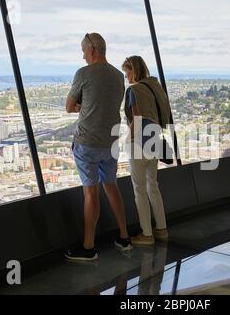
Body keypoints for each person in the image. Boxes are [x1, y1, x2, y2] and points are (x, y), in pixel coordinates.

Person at [65, 33, 132, 261]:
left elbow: (69, 106)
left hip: (88, 143)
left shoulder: (83, 73)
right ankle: (124, 237)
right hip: (110, 143)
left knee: (90, 192)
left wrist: (83, 107)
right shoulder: (117, 75)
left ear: (92, 50)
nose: (83, 55)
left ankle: (89, 247)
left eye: (84, 51)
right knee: (112, 187)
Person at [122, 56, 171, 245]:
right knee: (153, 186)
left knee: (139, 190)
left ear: (134, 70)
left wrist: (128, 139)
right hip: (155, 140)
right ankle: (162, 229)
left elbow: (137, 117)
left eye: (127, 71)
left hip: (139, 143)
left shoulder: (135, 90)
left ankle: (147, 234)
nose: (126, 76)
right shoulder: (155, 87)